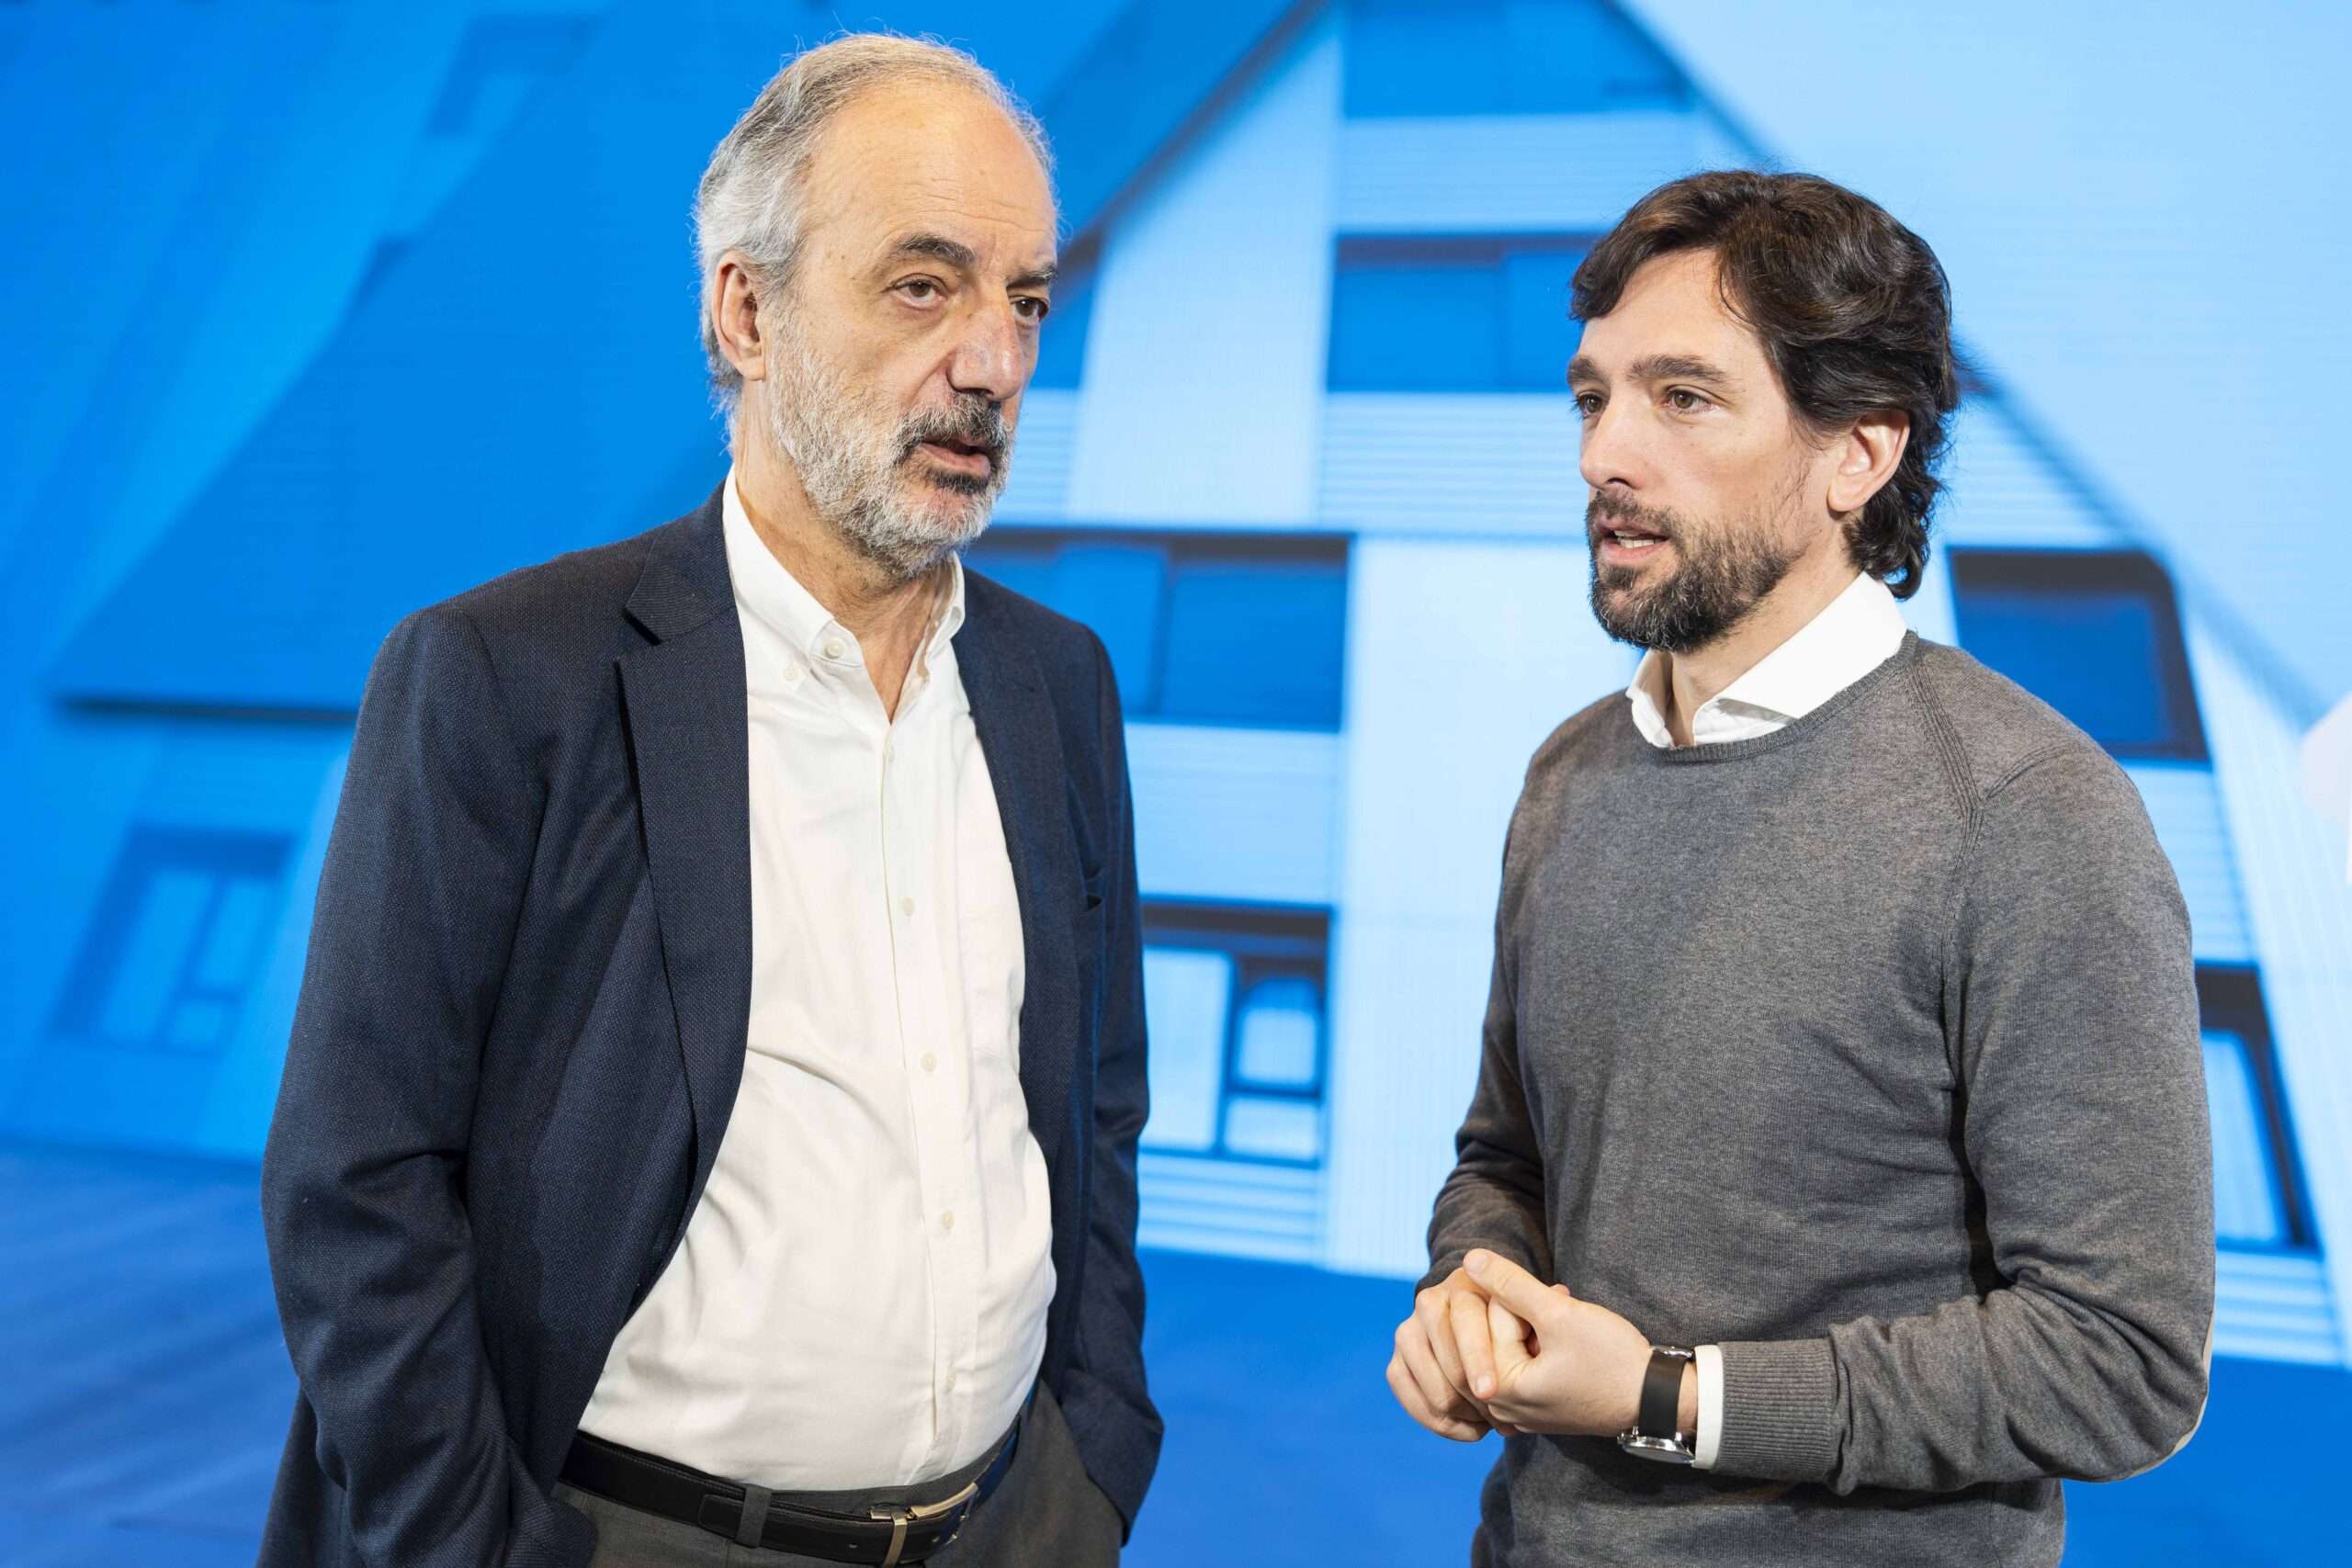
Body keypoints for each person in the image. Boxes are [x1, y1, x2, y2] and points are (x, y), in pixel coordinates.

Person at [259, 34, 1158, 1568]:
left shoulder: (1055, 686)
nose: (994, 363)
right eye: (923, 285)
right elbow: (356, 1186)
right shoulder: (503, 674)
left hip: (1015, 1527)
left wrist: (1092, 1460)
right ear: (746, 308)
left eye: (1024, 300)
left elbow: (1094, 1112)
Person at [1386, 170, 2212, 1566]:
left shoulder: (2029, 814)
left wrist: (1668, 1401)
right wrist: (1479, 1284)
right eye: (1594, 399)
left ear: (1858, 456)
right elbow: (1507, 1158)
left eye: (1684, 399)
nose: (1605, 455)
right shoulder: (1569, 777)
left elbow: (2120, 1360)